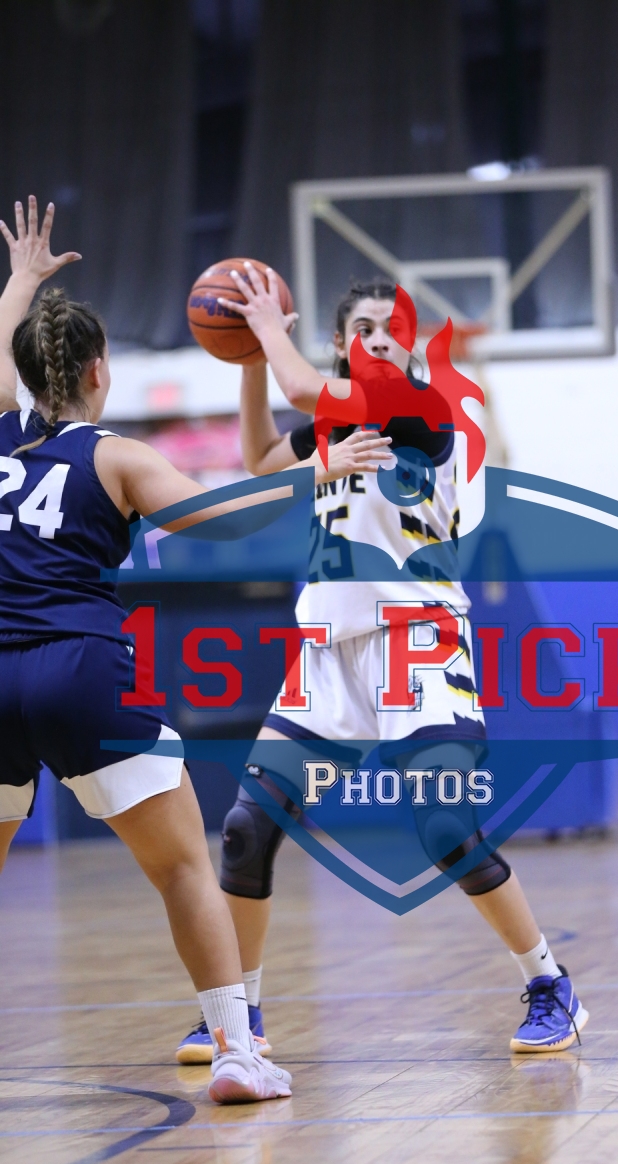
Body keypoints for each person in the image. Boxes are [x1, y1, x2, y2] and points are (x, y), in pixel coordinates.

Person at [0, 198, 388, 1103]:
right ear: (99, 371)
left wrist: (19, 279)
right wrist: (314, 469)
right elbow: (221, 519)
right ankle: (237, 1054)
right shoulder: (115, 457)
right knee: (180, 868)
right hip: (80, 668)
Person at [175, 263, 589, 1063]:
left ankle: (550, 984)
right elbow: (259, 454)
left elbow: (304, 389)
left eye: (391, 331)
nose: (378, 341)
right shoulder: (331, 426)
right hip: (329, 655)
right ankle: (238, 1015)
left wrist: (266, 332)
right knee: (246, 830)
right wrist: (251, 361)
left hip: (418, 645)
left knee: (445, 828)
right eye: (362, 330)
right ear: (339, 342)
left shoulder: (413, 406)